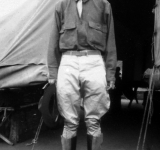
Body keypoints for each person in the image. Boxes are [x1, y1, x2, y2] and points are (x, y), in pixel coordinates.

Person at [47, 0, 117, 149]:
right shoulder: (61, 5)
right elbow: (53, 39)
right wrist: (53, 71)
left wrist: (110, 72)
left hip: (94, 61)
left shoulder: (104, 4)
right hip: (68, 62)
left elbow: (111, 41)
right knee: (69, 121)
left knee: (94, 120)